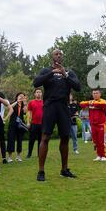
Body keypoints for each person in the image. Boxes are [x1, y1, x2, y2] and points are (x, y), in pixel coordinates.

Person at [33, 49, 81, 182]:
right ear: (52, 57)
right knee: (45, 137)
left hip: (63, 107)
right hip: (49, 106)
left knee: (65, 137)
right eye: (56, 54)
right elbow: (36, 83)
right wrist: (51, 73)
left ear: (62, 57)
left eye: (60, 54)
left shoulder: (69, 72)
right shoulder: (46, 71)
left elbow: (78, 87)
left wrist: (65, 74)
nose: (58, 55)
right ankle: (41, 171)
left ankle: (64, 169)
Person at [80, 89, 106, 161]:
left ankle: (104, 156)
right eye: (94, 93)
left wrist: (91, 103)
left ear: (100, 94)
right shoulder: (91, 102)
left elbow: (103, 104)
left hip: (101, 125)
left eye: (96, 93)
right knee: (96, 141)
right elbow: (81, 104)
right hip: (93, 125)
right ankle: (99, 155)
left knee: (102, 141)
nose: (95, 94)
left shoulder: (102, 101)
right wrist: (91, 102)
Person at [5, 93, 28, 163]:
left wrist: (25, 103)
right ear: (17, 96)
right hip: (12, 124)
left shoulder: (23, 105)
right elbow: (9, 108)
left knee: (19, 140)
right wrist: (16, 102)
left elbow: (25, 112)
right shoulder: (13, 103)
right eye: (20, 96)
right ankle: (9, 157)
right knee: (11, 139)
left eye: (22, 96)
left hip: (20, 124)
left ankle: (18, 156)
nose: (21, 97)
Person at [26, 88, 44, 158]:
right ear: (34, 94)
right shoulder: (31, 102)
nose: (38, 93)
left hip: (42, 124)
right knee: (31, 140)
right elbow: (29, 113)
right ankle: (29, 154)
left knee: (41, 140)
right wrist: (28, 122)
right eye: (37, 92)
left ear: (41, 94)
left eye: (40, 92)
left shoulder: (44, 102)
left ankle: (39, 154)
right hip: (34, 124)